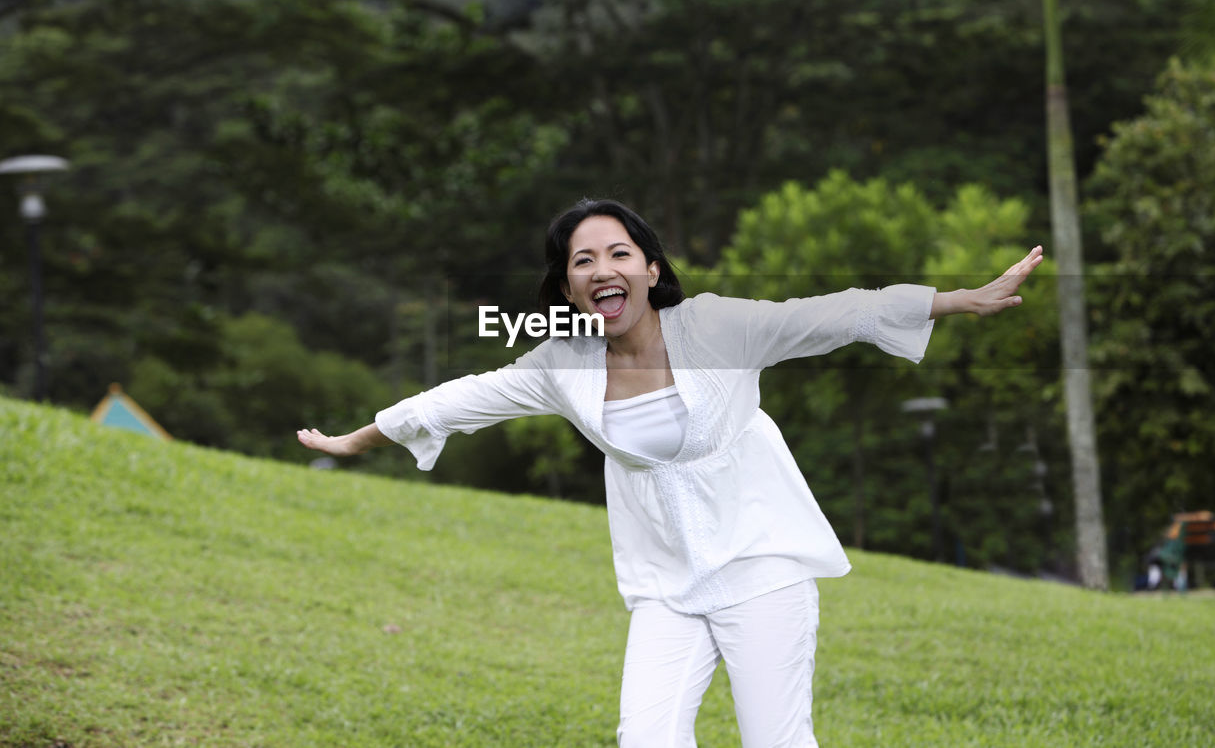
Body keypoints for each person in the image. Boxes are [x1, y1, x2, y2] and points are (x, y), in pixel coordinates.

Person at [297, 198, 1043, 747]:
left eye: (618, 253)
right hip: (668, 586)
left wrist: (958, 300)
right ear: (566, 290)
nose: (601, 269)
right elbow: (463, 397)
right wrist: (361, 439)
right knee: (645, 739)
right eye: (581, 261)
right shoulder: (564, 364)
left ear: (650, 269)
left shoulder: (716, 326)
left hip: (762, 568)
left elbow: (835, 313)